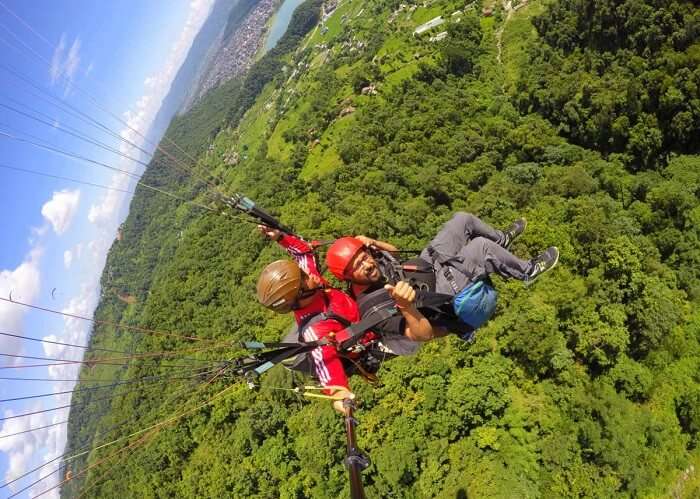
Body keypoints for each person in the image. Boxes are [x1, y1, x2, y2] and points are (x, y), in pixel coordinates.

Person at [325, 212, 559, 342]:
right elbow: (423, 335)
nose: (366, 264)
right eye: (357, 266)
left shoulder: (373, 259)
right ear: (347, 277)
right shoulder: (372, 309)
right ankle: (528, 271)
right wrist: (406, 307)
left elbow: (393, 254)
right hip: (439, 294)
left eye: (364, 256)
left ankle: (502, 240)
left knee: (462, 220)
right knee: (481, 248)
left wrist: (374, 244)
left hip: (426, 264)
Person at [256, 226, 381, 414]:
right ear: (299, 296)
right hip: (371, 338)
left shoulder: (311, 286)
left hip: (360, 306)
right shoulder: (315, 329)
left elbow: (303, 253)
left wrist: (280, 237)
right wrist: (340, 396)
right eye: (305, 277)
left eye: (304, 273)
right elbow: (325, 364)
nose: (311, 274)